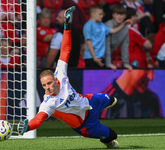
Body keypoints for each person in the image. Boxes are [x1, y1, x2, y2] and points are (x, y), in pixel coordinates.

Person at [18, 6, 119, 148]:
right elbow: (38, 119)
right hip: (85, 125)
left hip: (90, 101)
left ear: (55, 79)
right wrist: (28, 127)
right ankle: (106, 140)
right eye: (44, 86)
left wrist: (67, 26)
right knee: (113, 136)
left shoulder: (60, 72)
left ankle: (110, 106)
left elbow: (65, 48)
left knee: (112, 99)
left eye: (49, 83)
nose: (47, 88)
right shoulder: (49, 103)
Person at [105, 5, 133, 71]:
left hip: (108, 55)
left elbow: (125, 46)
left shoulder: (125, 28)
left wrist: (126, 64)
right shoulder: (108, 25)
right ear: (113, 15)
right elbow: (107, 46)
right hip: (97, 55)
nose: (119, 17)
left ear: (125, 16)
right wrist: (108, 63)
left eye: (122, 14)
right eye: (117, 14)